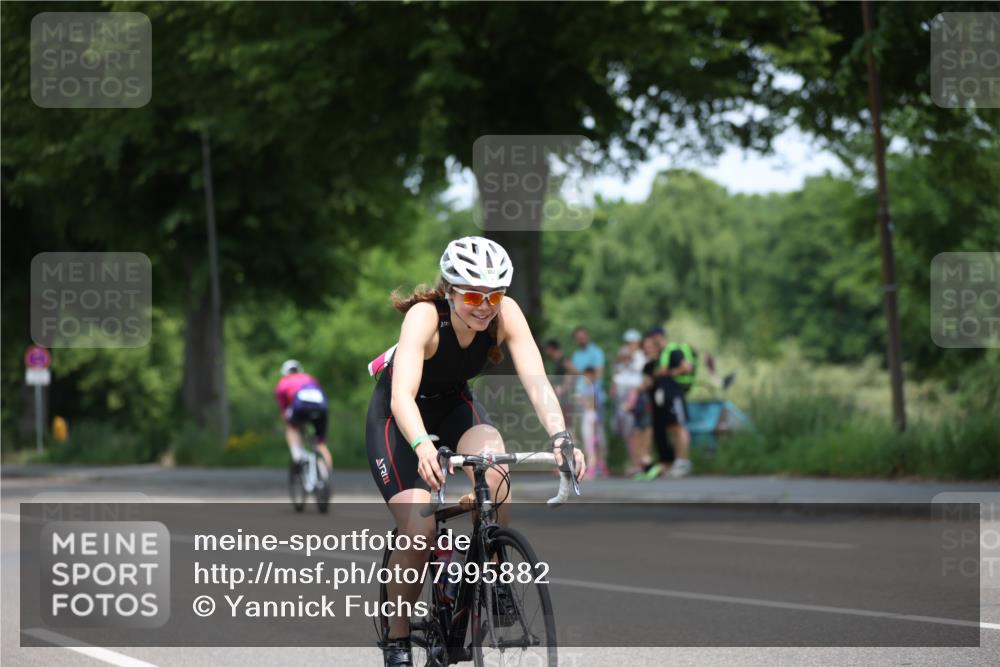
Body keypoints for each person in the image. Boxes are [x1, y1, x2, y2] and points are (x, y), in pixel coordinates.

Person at [365, 236, 586, 667]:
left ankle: (494, 568)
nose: (484, 306)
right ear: (450, 290)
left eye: (494, 295)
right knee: (418, 530)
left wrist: (561, 437)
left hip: (454, 406)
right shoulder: (424, 317)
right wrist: (422, 444)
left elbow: (537, 381)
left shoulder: (506, 315)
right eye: (471, 295)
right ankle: (397, 638)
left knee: (496, 474)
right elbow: (401, 398)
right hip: (399, 418)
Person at [274, 360, 332, 473]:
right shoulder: (310, 378)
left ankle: (297, 456)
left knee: (292, 427)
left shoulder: (283, 382)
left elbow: (284, 410)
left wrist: (288, 421)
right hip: (321, 408)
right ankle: (325, 477)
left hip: (300, 408)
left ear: (285, 372)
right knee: (320, 444)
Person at [656, 327, 693, 478]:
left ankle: (683, 461)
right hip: (668, 397)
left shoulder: (673, 351)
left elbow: (687, 367)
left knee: (679, 426)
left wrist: (670, 373)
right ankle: (678, 461)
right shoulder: (663, 353)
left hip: (675, 394)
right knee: (673, 428)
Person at [570, 326, 607, 476]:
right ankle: (590, 464)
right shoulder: (576, 355)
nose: (581, 339)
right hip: (580, 397)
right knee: (585, 434)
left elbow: (596, 374)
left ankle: (600, 464)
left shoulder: (596, 352)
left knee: (597, 434)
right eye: (578, 337)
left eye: (583, 336)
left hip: (592, 398)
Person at [612, 329, 645, 475]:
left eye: (632, 342)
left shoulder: (640, 355)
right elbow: (617, 372)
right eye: (627, 343)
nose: (629, 345)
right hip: (621, 392)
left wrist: (628, 356)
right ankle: (634, 461)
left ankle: (639, 462)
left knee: (633, 428)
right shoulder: (622, 354)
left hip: (632, 392)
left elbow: (637, 370)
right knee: (625, 429)